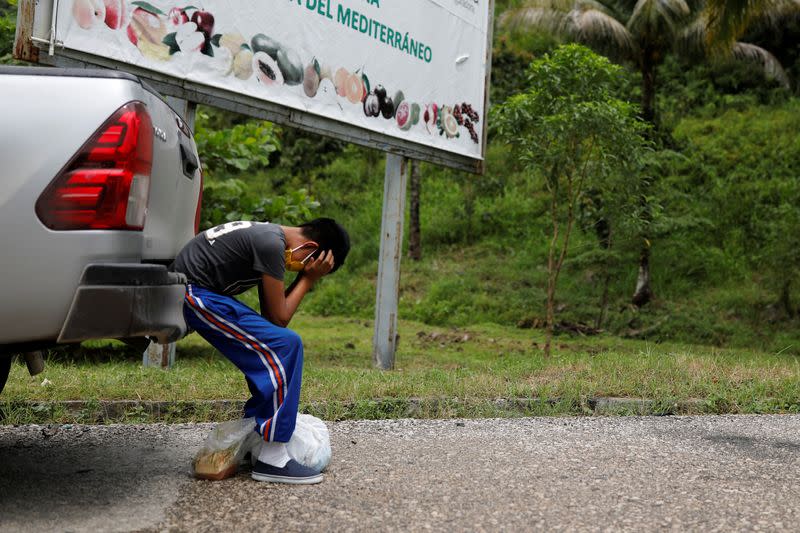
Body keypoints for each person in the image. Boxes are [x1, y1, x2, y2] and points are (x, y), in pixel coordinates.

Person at [172, 218, 350, 484]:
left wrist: (306, 274)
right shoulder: (270, 244)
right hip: (195, 294)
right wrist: (308, 278)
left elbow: (273, 318)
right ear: (311, 247)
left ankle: (256, 436)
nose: (298, 268)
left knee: (277, 342)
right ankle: (273, 457)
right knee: (286, 345)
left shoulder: (267, 237)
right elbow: (279, 318)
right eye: (307, 262)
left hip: (201, 292)